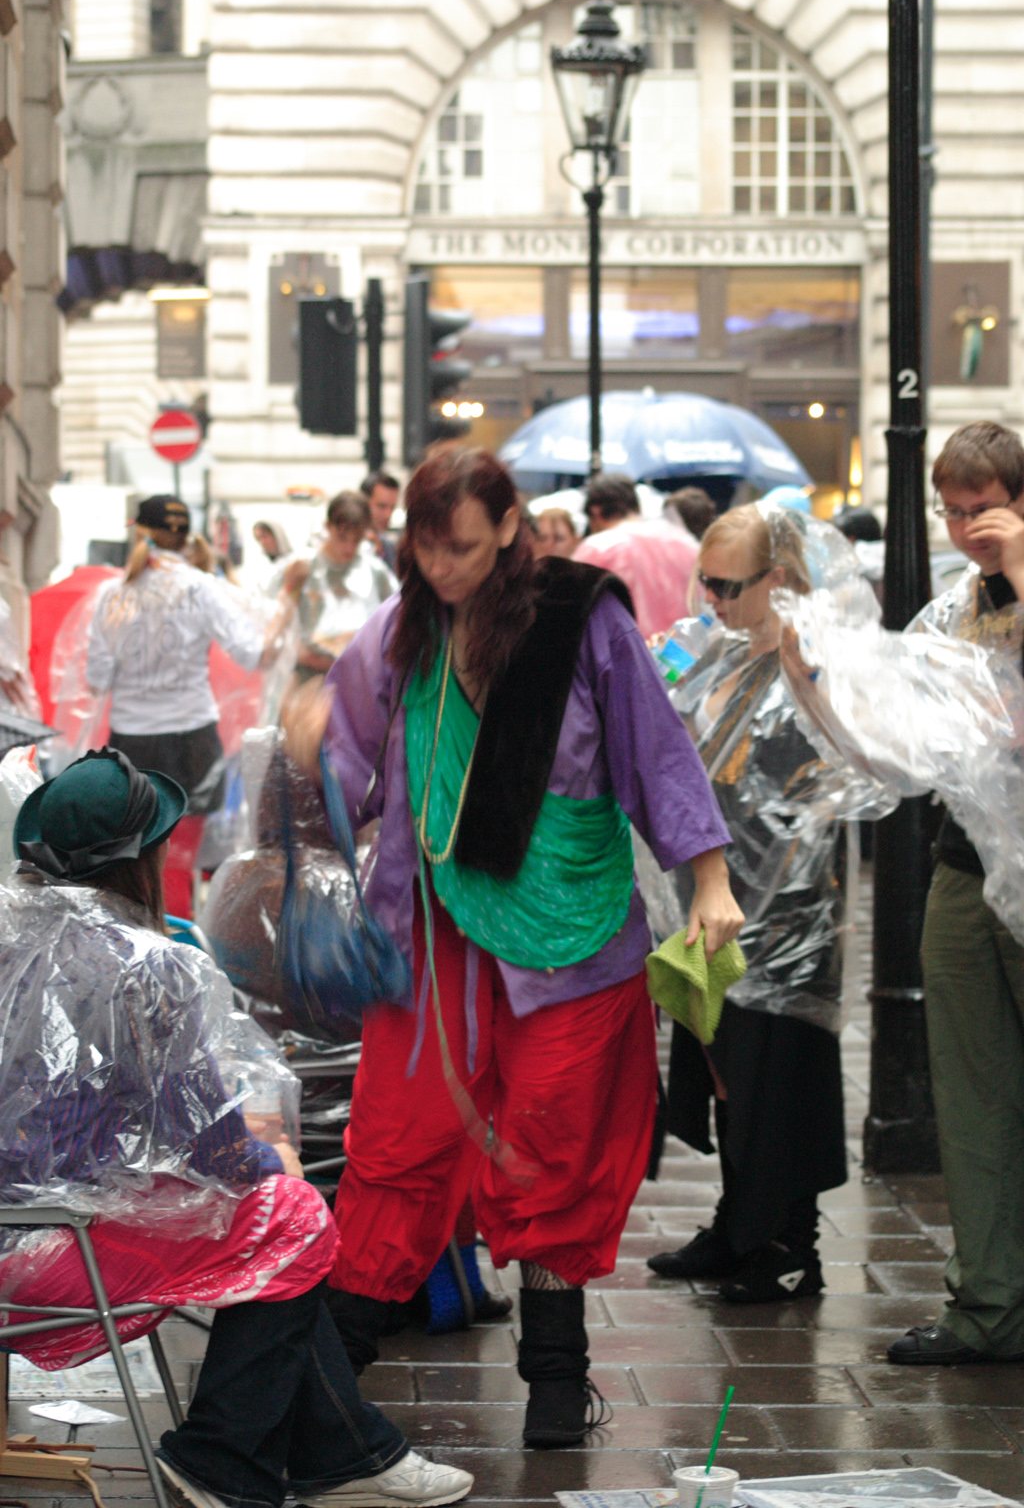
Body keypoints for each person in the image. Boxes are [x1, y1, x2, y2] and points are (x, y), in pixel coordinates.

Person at [282, 447, 740, 1449]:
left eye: (460, 548)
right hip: (435, 934)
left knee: (554, 1144)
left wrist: (708, 878)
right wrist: (310, 727)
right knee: (396, 1143)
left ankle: (555, 1380)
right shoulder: (401, 629)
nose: (442, 568)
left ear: (505, 528)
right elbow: (345, 750)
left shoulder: (583, 618)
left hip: (572, 940)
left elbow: (654, 751)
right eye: (424, 547)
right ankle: (319, 1384)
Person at [0, 748, 472, 1508]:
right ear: (145, 860)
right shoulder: (151, 966)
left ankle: (353, 1456)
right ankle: (225, 1456)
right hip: (48, 1260)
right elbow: (212, 1149)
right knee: (294, 1215)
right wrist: (271, 1158)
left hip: (23, 1233)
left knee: (276, 1229)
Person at [785, 421, 1024, 1365]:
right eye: (952, 511)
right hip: (968, 869)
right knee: (974, 1094)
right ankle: (989, 1305)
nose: (967, 528)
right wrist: (814, 681)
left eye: (985, 509)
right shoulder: (953, 611)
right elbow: (897, 754)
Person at [641, 504, 889, 1303]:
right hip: (715, 894)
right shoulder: (712, 649)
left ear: (776, 580)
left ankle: (786, 1245)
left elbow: (861, 761)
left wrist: (805, 675)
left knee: (778, 1077)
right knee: (722, 1068)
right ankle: (738, 1224)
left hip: (790, 909)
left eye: (727, 584)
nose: (709, 597)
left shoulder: (813, 654)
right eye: (703, 582)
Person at [85, 496, 301, 918]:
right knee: (180, 862)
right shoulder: (202, 587)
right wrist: (289, 596)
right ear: (186, 537)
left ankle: (136, 949)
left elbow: (96, 680)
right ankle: (180, 951)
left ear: (138, 532)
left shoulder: (114, 594)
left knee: (133, 861)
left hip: (132, 743)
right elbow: (256, 653)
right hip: (193, 742)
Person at [573, 474, 700, 639]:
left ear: (595, 512)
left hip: (624, 656)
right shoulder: (684, 541)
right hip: (680, 655)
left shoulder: (597, 548)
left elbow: (574, 610)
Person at [292, 491, 397, 681]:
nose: (349, 548)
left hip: (360, 680)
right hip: (311, 678)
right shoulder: (303, 568)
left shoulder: (375, 572)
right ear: (328, 527)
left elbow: (396, 620)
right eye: (342, 538)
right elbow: (276, 627)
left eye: (356, 539)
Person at [361, 472, 402, 572]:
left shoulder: (390, 548)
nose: (388, 514)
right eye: (381, 506)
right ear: (363, 502)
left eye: (392, 507)